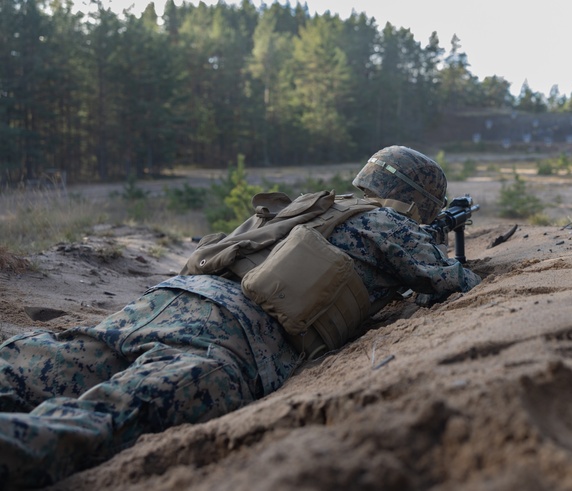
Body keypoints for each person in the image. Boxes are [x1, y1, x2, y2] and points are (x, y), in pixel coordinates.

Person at [0, 146, 481, 488]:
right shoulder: (392, 223)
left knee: (37, 366)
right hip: (229, 338)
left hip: (162, 302)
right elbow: (453, 284)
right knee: (99, 420)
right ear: (419, 202)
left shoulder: (311, 206)